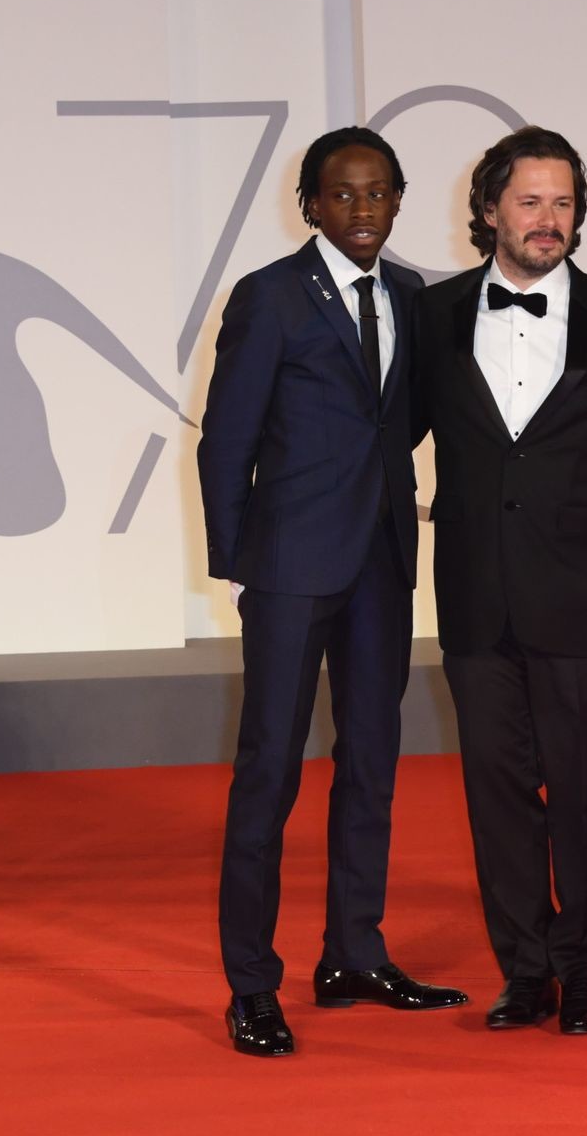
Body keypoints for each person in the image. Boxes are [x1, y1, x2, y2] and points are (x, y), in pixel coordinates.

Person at [198, 127, 466, 1058]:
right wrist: (241, 561)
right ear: (309, 204)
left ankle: (354, 953)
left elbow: (407, 420)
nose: (362, 209)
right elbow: (226, 438)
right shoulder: (268, 296)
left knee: (372, 763)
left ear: (398, 201)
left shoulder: (412, 295)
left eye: (378, 192)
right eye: (343, 194)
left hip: (381, 562)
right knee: (269, 770)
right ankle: (251, 984)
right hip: (288, 568)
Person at [412, 128, 587, 1036]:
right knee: (498, 797)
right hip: (475, 595)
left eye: (563, 203)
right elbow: (386, 436)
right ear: (489, 210)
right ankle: (524, 971)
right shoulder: (432, 317)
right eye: (529, 202)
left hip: (584, 596)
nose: (548, 219)